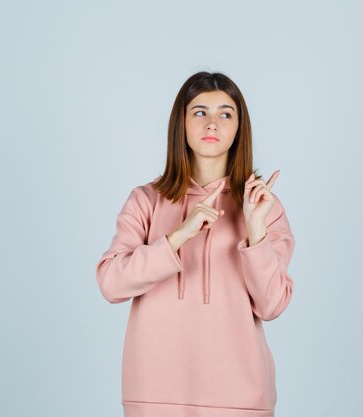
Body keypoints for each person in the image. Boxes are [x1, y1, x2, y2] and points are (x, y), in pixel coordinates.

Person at [95, 71, 296, 417]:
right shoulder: (145, 200)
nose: (213, 124)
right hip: (154, 396)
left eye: (226, 114)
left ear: (238, 129)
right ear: (182, 124)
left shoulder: (263, 207)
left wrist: (255, 229)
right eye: (200, 112)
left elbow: (272, 305)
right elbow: (111, 283)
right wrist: (177, 237)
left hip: (241, 399)